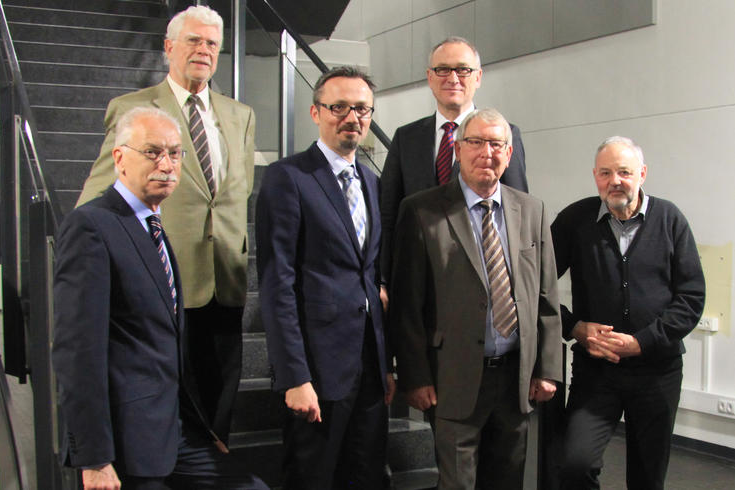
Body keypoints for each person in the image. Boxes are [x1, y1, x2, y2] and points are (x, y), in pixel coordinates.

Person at [53, 107, 267, 490]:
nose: (166, 164)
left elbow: (165, 350)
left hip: (175, 432)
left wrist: (202, 430)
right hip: (123, 444)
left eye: (175, 153)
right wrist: (94, 458)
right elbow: (77, 353)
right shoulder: (91, 226)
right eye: (152, 152)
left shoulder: (154, 226)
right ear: (119, 158)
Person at [76, 5, 255, 442]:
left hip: (225, 282)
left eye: (213, 43)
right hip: (163, 284)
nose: (204, 50)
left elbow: (235, 196)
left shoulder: (240, 115)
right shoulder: (133, 108)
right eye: (193, 40)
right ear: (169, 47)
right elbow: (97, 198)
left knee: (220, 412)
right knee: (170, 418)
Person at [389, 108, 562, 490]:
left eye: (497, 143)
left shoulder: (532, 210)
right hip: (452, 377)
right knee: (457, 485)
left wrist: (548, 367)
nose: (487, 151)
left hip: (516, 379)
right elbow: (407, 305)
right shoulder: (421, 210)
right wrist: (414, 376)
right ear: (458, 149)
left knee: (507, 482)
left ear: (509, 153)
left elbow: (546, 297)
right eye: (476, 142)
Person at [255, 66, 396, 489]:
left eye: (362, 109)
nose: (351, 117)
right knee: (312, 478)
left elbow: (368, 276)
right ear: (316, 113)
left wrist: (384, 364)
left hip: (368, 369)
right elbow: (277, 284)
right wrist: (294, 376)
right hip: (317, 369)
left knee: (366, 477)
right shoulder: (289, 177)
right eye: (339, 107)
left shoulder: (372, 182)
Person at [551, 136, 705, 490]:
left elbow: (691, 297)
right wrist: (574, 327)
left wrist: (641, 342)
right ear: (595, 176)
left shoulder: (670, 219)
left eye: (624, 171)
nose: (615, 180)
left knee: (648, 476)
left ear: (642, 174)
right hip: (596, 372)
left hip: (658, 372)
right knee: (575, 465)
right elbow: (534, 287)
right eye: (605, 172)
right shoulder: (576, 220)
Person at [380, 36, 528, 301]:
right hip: (416, 280)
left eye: (463, 69)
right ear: (429, 76)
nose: (453, 78)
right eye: (442, 69)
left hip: (481, 282)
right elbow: (389, 217)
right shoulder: (406, 138)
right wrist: (384, 280)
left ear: (478, 76)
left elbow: (517, 216)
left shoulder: (505, 135)